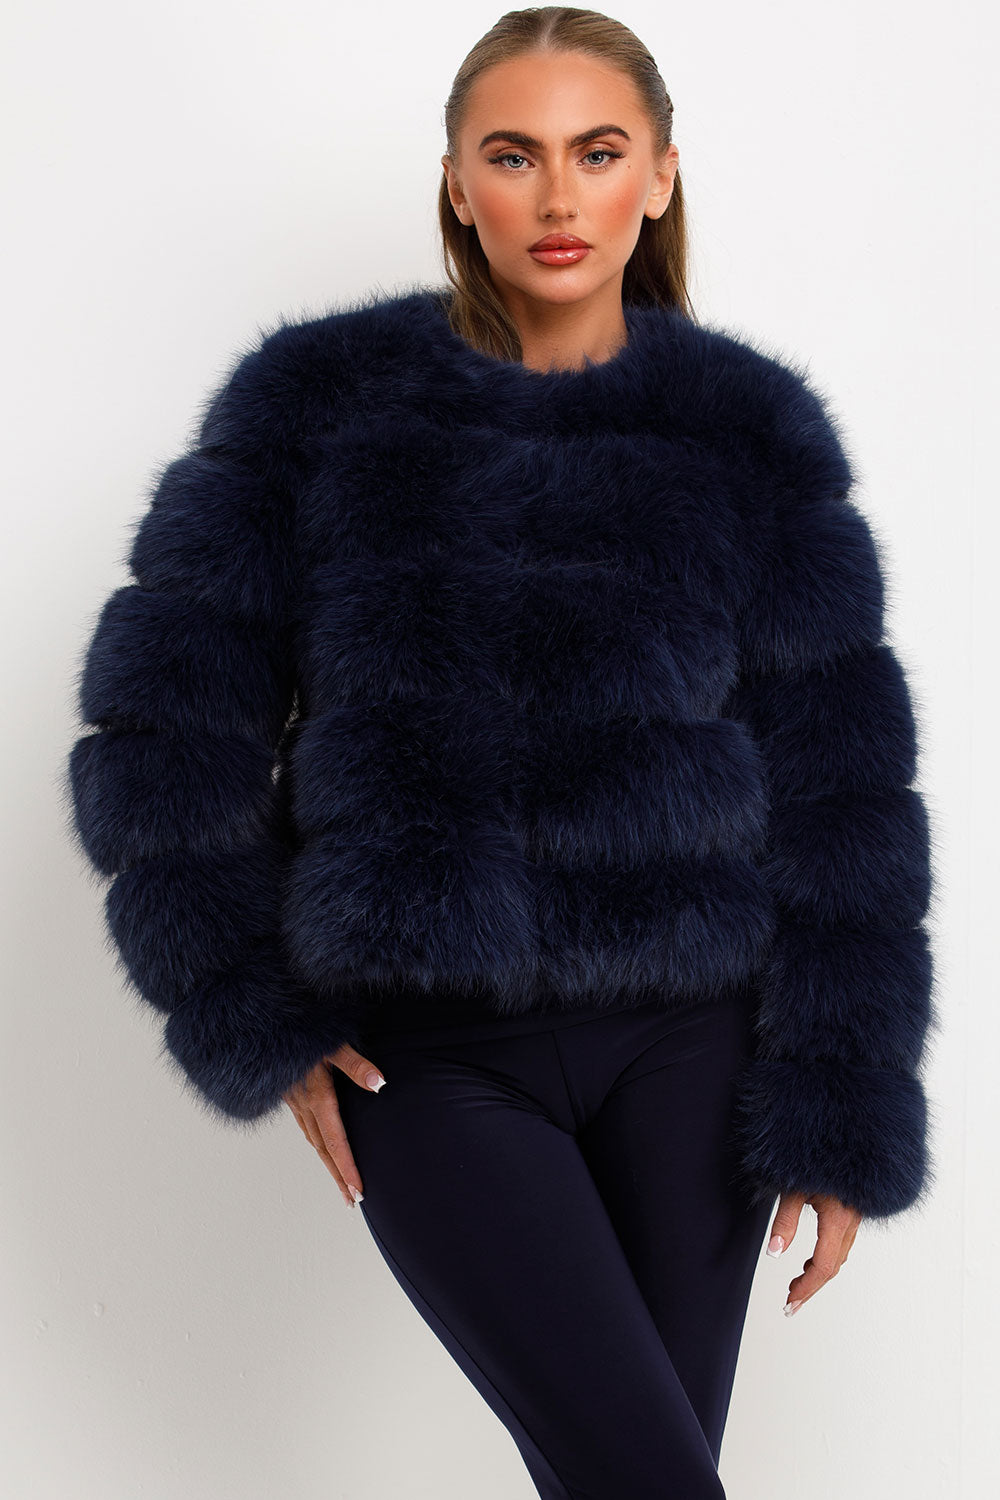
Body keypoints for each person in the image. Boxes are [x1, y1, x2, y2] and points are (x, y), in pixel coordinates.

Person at [64, 8, 936, 1497]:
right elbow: (163, 727)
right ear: (458, 183)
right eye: (513, 156)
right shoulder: (315, 412)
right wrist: (247, 1002)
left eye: (597, 153)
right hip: (432, 1059)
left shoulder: (747, 433)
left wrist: (840, 1093)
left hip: (693, 1054)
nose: (556, 196)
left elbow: (839, 783)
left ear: (660, 175)